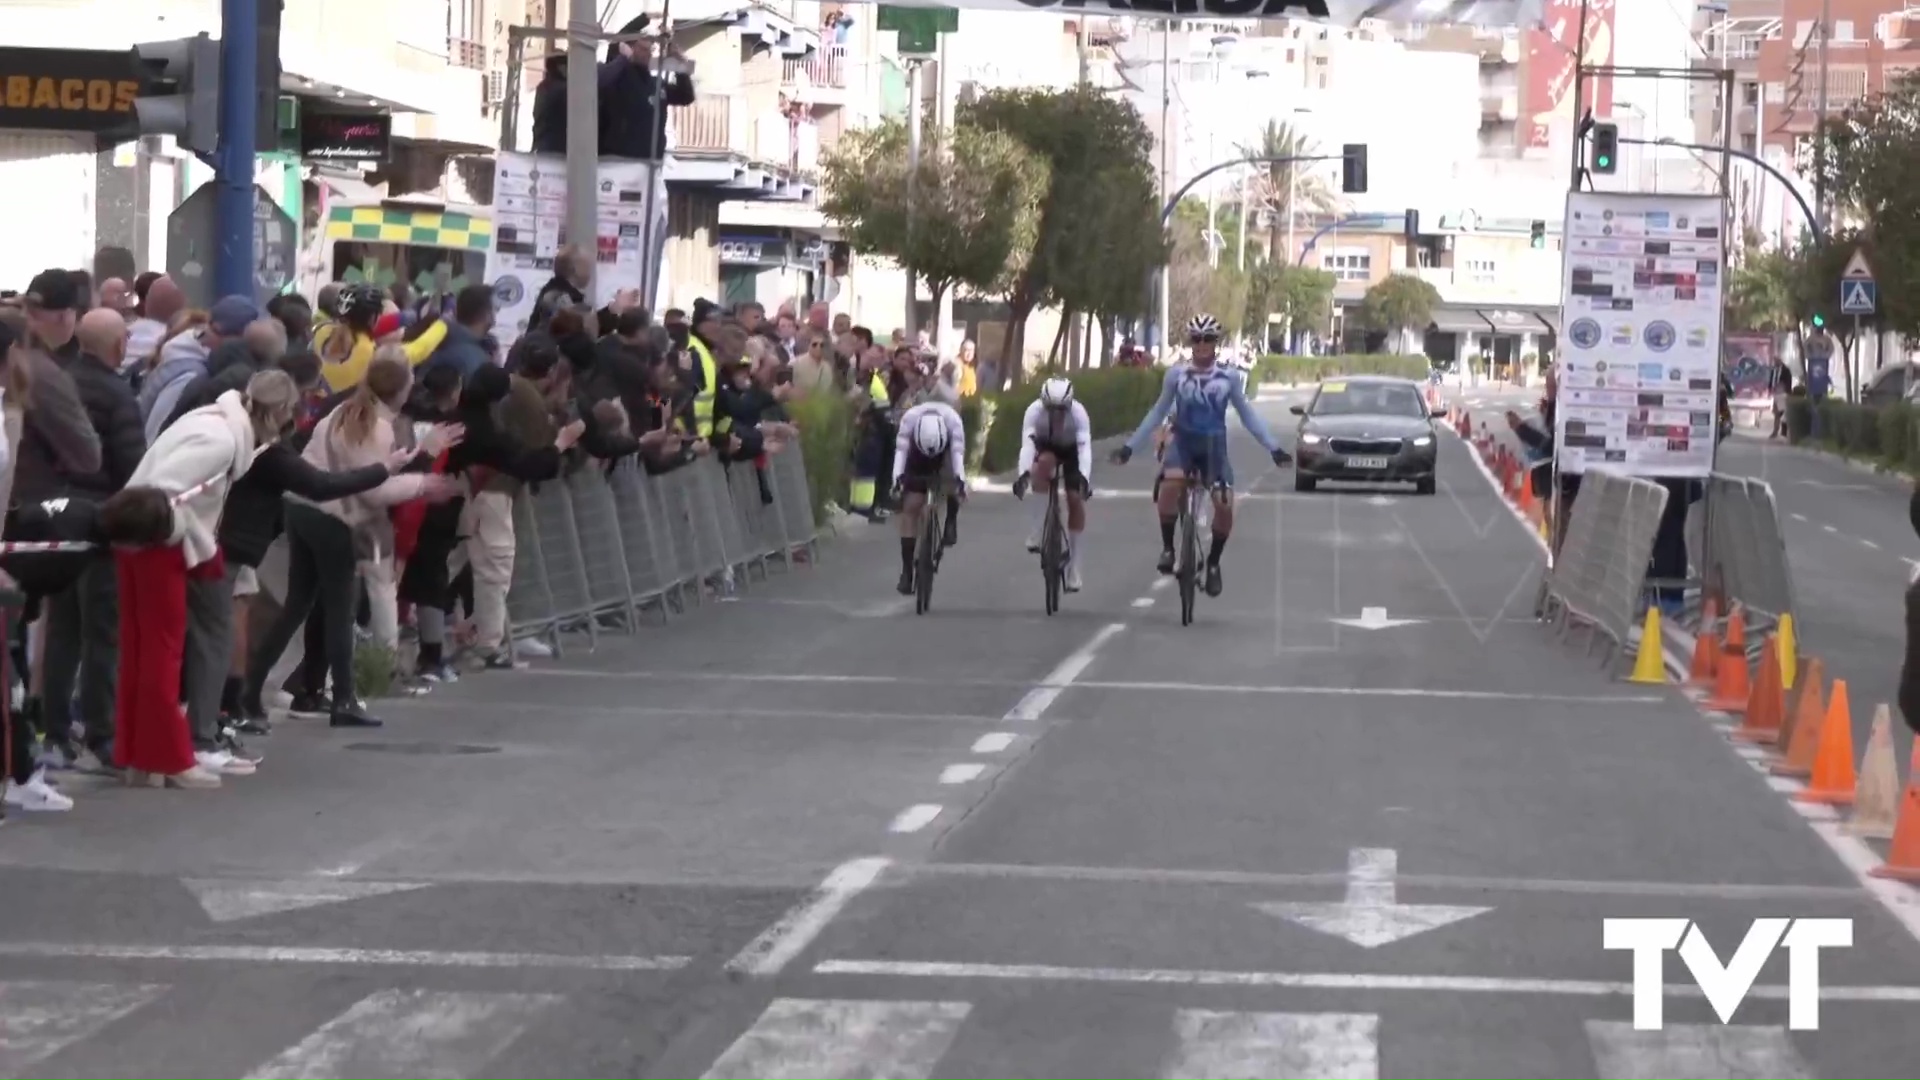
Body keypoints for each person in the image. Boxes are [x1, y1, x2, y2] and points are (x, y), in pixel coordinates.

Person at [244, 355, 461, 728]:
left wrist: (415, 466)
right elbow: (372, 491)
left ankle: (253, 691)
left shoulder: (344, 411)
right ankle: (343, 698)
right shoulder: (376, 427)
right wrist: (422, 481)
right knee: (339, 610)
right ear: (401, 390)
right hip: (333, 518)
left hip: (302, 509)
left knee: (298, 606)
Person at [117, 371, 304, 788]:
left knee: (145, 653)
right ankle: (169, 759)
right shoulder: (220, 440)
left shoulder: (212, 422)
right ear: (277, 412)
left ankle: (142, 756)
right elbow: (162, 495)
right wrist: (194, 541)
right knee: (162, 657)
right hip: (162, 546)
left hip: (153, 543)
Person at [1110, 313, 1291, 598]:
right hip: (1183, 441)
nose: (1202, 344)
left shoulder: (1229, 377)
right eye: (1197, 339)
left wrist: (1273, 448)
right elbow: (1157, 412)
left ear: (1216, 343)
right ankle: (1169, 548)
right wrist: (1130, 447)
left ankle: (1214, 563)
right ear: (1191, 341)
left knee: (1224, 504)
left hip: (1213, 446)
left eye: (1208, 339)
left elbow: (1247, 416)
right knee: (1170, 484)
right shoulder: (1176, 375)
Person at [1012, 377, 1094, 592]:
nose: (1056, 414)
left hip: (1071, 451)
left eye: (1061, 409)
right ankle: (1037, 530)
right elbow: (1027, 447)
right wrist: (1023, 475)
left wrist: (1084, 477)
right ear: (1043, 403)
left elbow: (1085, 450)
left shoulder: (1078, 414)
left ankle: (1074, 567)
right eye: (1051, 409)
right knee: (1043, 465)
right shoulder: (1034, 412)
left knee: (1075, 499)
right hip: (1045, 445)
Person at [889, 394, 966, 596]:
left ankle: (951, 519)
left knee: (952, 481)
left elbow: (957, 457)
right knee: (911, 506)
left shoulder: (953, 422)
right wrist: (897, 480)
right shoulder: (910, 420)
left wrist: (960, 483)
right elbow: (900, 453)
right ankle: (907, 572)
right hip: (917, 456)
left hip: (945, 453)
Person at [314, 283, 446, 392]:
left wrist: (404, 317)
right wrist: (443, 323)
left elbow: (363, 328)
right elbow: (419, 349)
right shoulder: (371, 354)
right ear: (372, 319)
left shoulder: (321, 330)